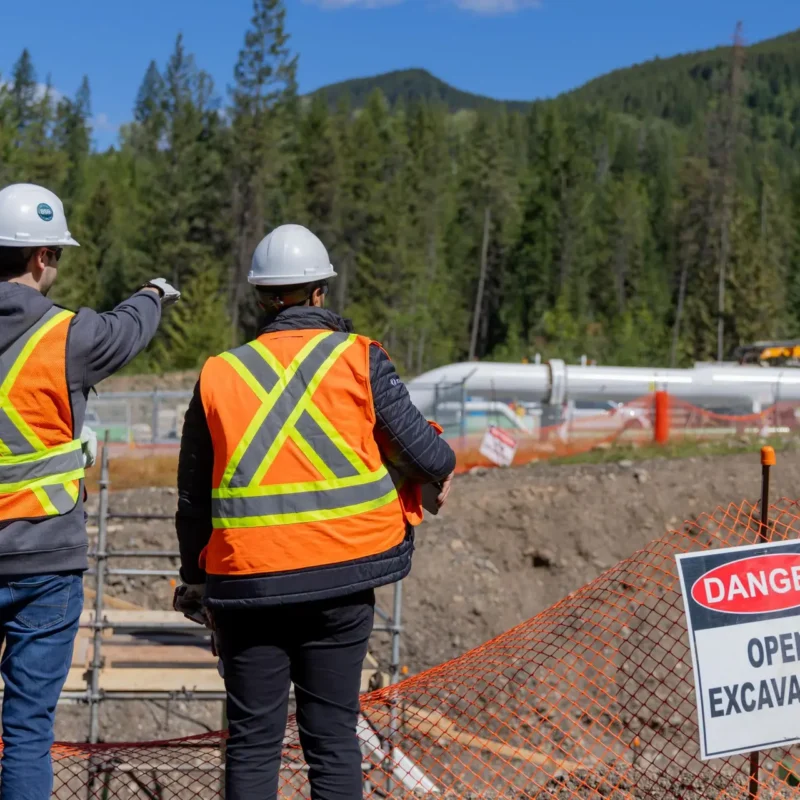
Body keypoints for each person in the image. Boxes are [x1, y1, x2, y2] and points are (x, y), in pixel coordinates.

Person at [174, 223, 456, 800]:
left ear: (260, 297)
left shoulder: (219, 375)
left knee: (252, 744)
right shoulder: (359, 360)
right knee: (331, 739)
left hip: (248, 589)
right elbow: (432, 456)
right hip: (342, 581)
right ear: (321, 292)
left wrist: (195, 583)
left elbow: (192, 499)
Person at [0, 182, 180, 799]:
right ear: (41, 256)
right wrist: (154, 292)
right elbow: (131, 327)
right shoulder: (69, 336)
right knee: (25, 732)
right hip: (46, 560)